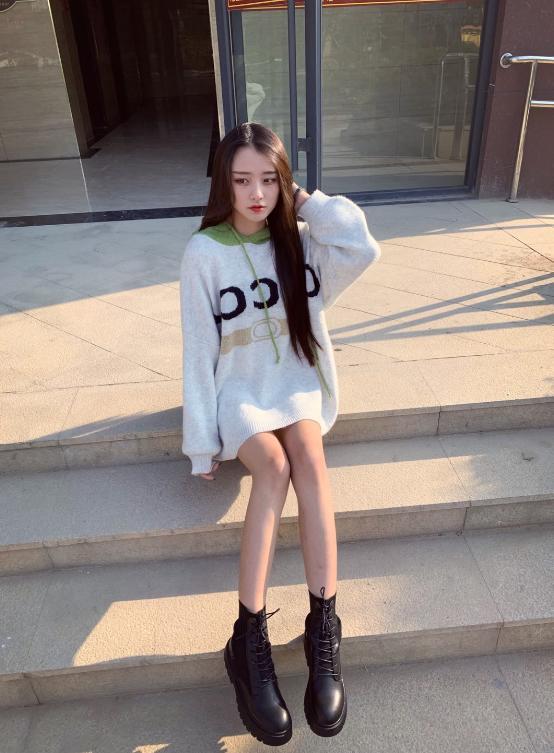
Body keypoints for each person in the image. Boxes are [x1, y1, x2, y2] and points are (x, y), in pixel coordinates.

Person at [179, 122, 381, 745]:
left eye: (269, 180)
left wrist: (306, 202)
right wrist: (201, 442)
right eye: (242, 180)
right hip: (239, 393)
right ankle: (250, 640)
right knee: (273, 467)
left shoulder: (300, 243)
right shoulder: (204, 253)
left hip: (296, 381)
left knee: (311, 462)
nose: (256, 194)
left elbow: (362, 245)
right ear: (223, 183)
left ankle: (325, 632)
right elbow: (198, 351)